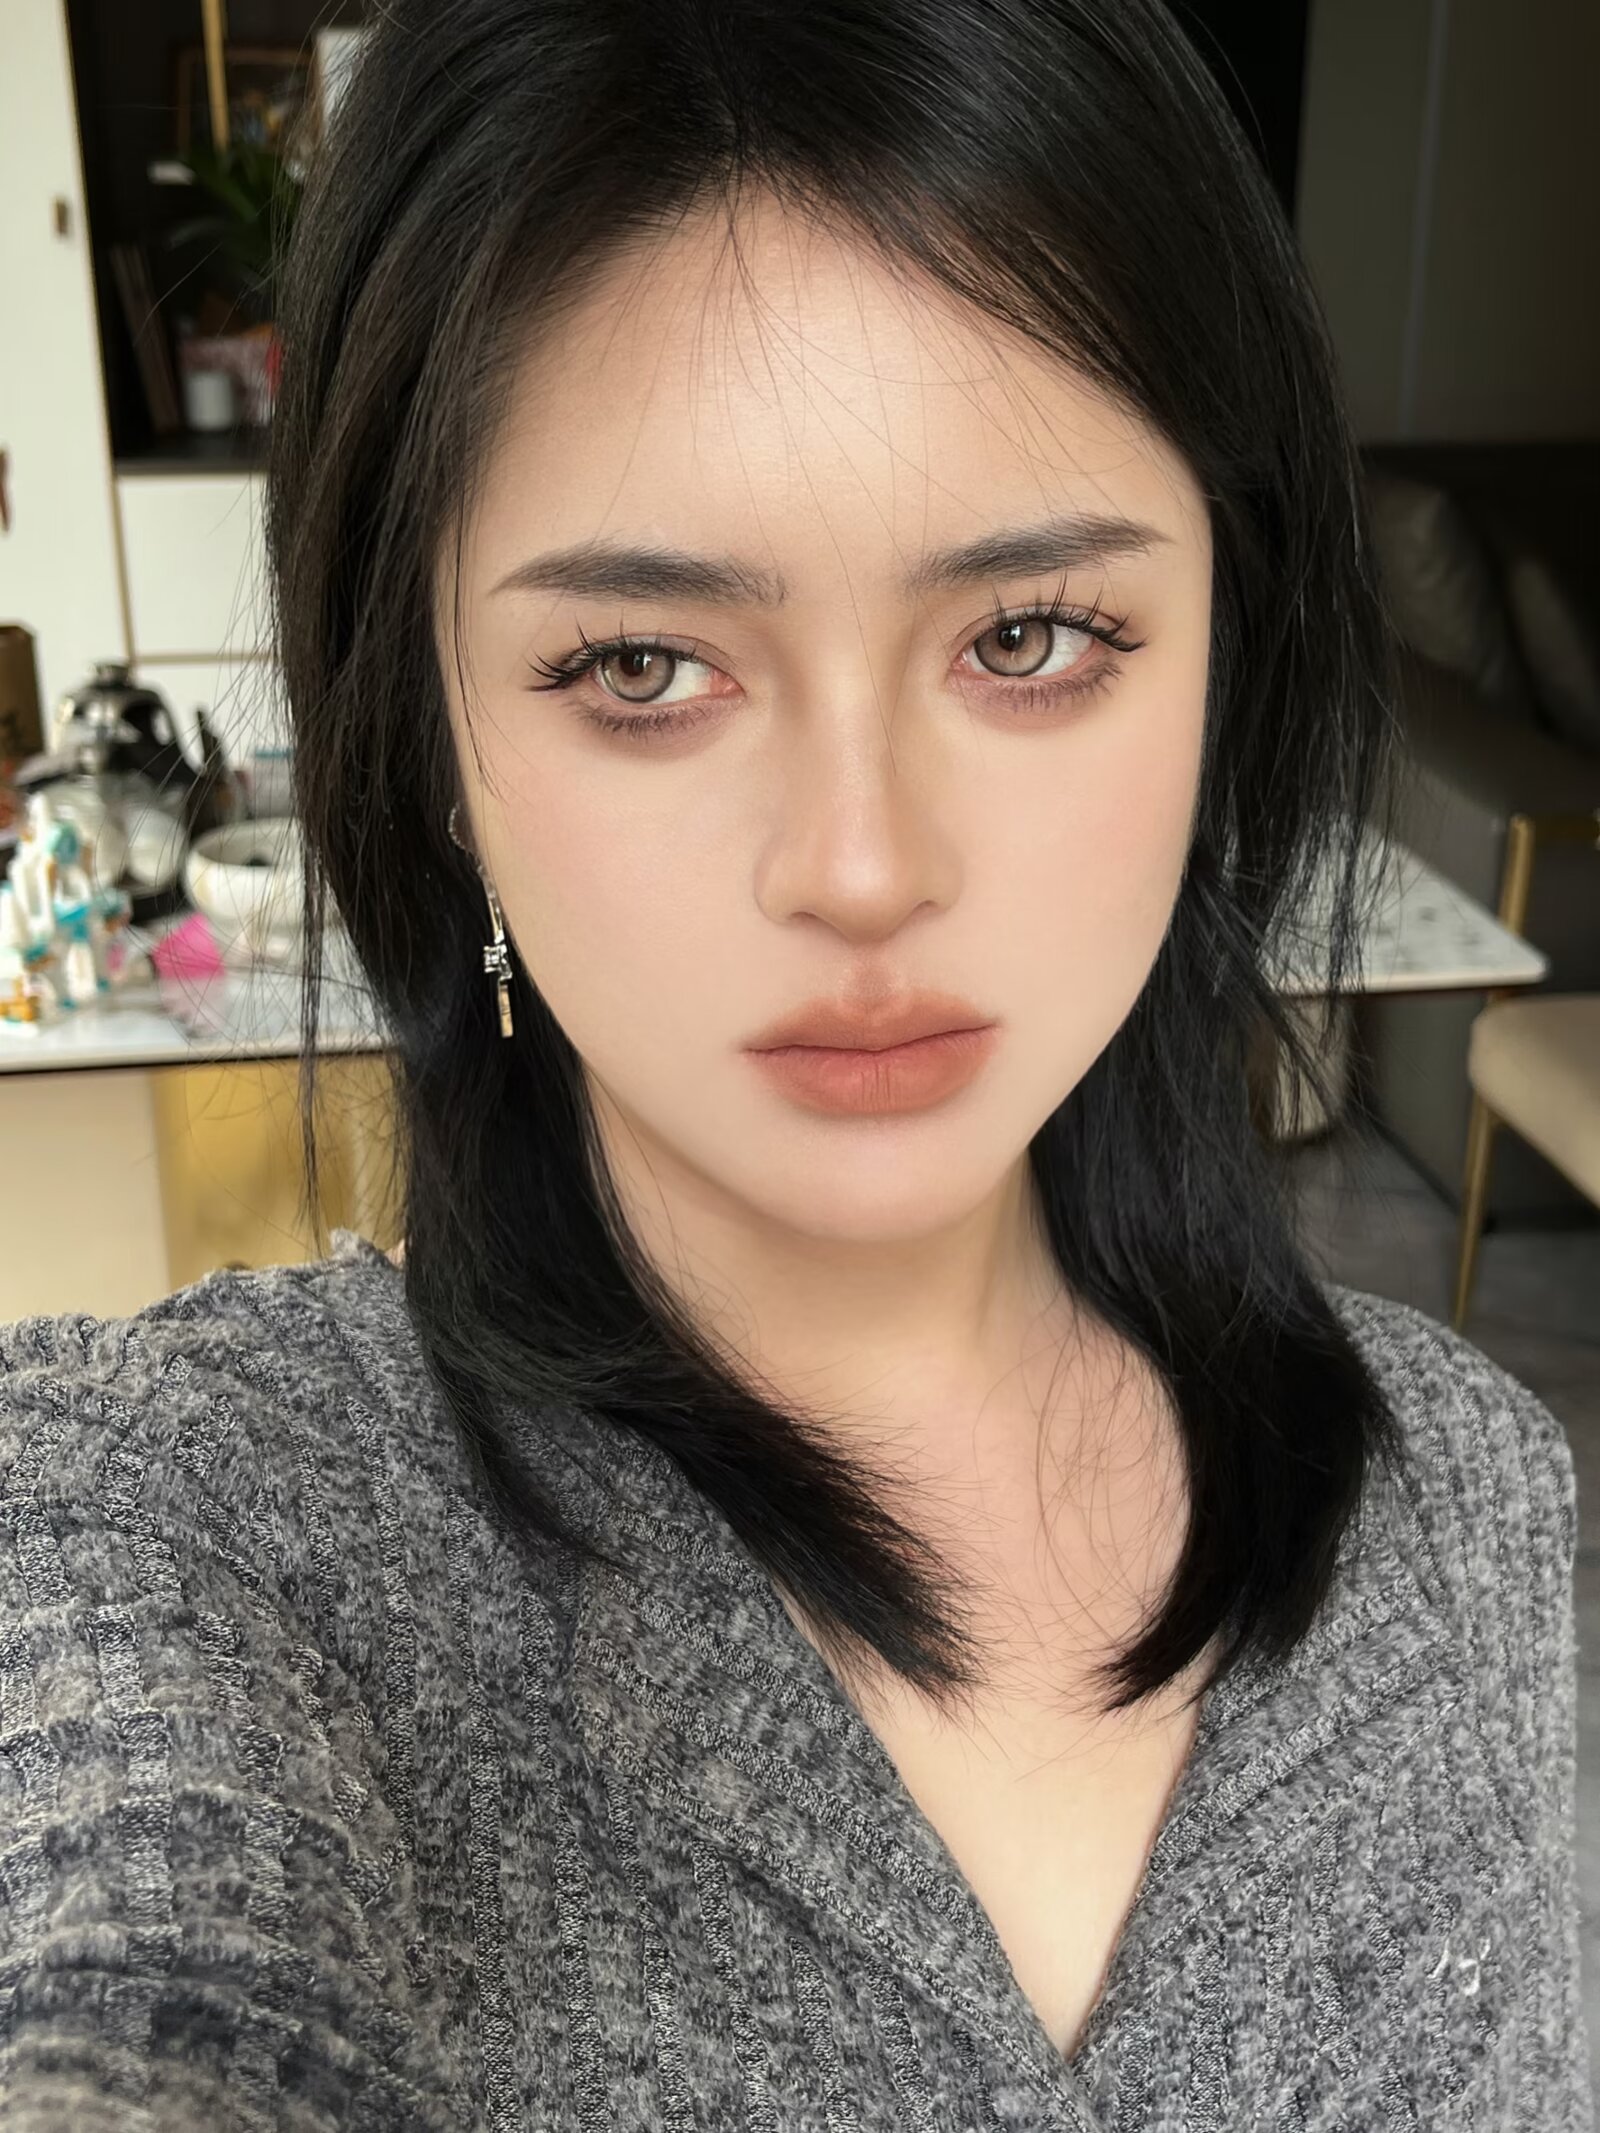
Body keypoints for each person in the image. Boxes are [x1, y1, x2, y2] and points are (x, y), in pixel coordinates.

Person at [0, 1, 1588, 2126]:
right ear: (432, 738)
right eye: (643, 665)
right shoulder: (189, 1518)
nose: (860, 865)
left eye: (1026, 635)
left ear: (1230, 655)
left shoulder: (1464, 1494)